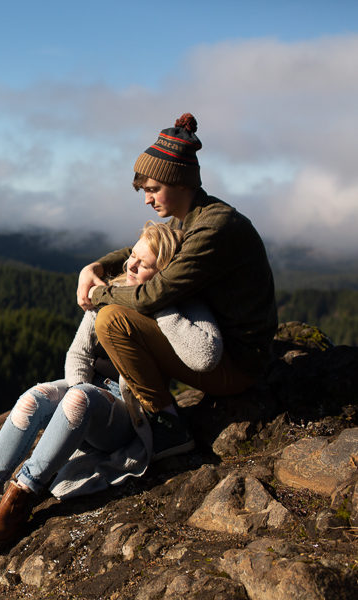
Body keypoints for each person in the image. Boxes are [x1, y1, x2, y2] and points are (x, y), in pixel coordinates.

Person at [0, 221, 223, 555]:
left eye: (143, 264)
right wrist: (80, 396)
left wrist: (162, 302)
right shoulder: (114, 289)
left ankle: (22, 496)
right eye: (132, 255)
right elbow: (78, 353)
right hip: (92, 395)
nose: (130, 265)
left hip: (132, 411)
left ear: (166, 273)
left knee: (78, 399)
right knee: (34, 397)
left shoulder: (184, 303)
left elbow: (205, 355)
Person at [77, 113, 277, 458]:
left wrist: (98, 293)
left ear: (181, 182)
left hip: (236, 366)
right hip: (228, 351)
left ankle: (167, 426)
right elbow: (139, 250)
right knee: (121, 302)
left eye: (153, 189)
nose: (147, 199)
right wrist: (96, 266)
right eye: (144, 190)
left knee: (111, 319)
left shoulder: (214, 228)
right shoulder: (195, 218)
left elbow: (154, 294)